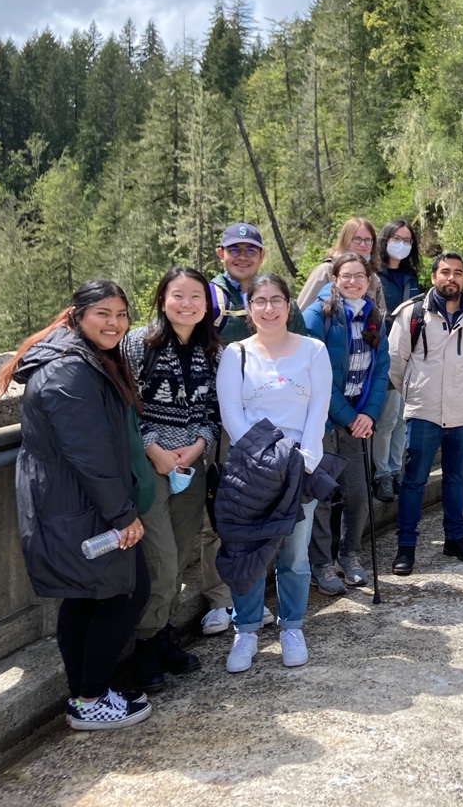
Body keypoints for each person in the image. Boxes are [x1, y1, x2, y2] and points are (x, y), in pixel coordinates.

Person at [0, 281, 154, 730]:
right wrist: (123, 515)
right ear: (78, 315)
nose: (115, 323)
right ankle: (89, 698)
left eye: (122, 315)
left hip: (76, 501)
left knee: (87, 597)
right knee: (127, 592)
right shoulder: (69, 370)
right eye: (103, 313)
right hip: (78, 503)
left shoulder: (83, 359)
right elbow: (88, 453)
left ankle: (88, 694)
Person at [216, 274, 332, 673]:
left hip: (300, 466)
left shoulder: (313, 350)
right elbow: (231, 413)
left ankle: (292, 626)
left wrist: (306, 459)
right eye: (260, 301)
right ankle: (245, 629)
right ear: (249, 308)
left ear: (289, 305)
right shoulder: (236, 354)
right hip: (251, 469)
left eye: (276, 300)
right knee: (245, 549)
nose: (269, 308)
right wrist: (264, 459)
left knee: (295, 554)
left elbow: (318, 409)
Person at [121, 267, 221, 693]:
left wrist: (198, 447)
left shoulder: (211, 351)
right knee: (159, 559)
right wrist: (154, 450)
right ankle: (143, 645)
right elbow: (126, 404)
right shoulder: (138, 344)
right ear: (163, 299)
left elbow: (213, 410)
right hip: (150, 466)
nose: (187, 304)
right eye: (178, 295)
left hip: (190, 465)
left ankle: (162, 635)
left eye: (195, 296)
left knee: (179, 556)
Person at [200, 222, 302, 636]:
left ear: (261, 256)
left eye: (251, 250)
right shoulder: (207, 296)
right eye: (234, 249)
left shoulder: (272, 295)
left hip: (272, 425)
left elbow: (301, 348)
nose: (242, 256)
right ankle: (219, 599)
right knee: (221, 509)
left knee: (265, 509)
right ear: (220, 254)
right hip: (217, 419)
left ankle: (253, 598)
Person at [388, 252, 463, 575]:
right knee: (414, 481)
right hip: (424, 412)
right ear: (433, 277)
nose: (452, 278)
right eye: (445, 272)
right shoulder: (412, 314)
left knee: (456, 478)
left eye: (458, 273)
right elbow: (396, 363)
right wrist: (415, 393)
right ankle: (406, 546)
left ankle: (455, 538)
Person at [303, 253, 390, 596]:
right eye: (346, 276)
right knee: (321, 497)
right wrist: (351, 416)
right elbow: (317, 378)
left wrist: (369, 413)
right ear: (335, 278)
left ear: (369, 281)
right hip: (323, 421)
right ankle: (321, 564)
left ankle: (349, 554)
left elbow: (381, 369)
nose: (353, 282)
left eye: (360, 276)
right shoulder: (317, 316)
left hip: (357, 421)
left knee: (357, 493)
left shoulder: (374, 317)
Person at [371, 219, 423, 502]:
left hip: (411, 354)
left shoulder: (412, 277)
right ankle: (382, 475)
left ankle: (395, 469)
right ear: (385, 240)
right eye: (396, 238)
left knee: (404, 417)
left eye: (407, 240)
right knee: (388, 418)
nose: (401, 244)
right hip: (383, 354)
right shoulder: (374, 275)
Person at [297, 217, 386, 312]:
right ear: (345, 240)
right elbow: (302, 314)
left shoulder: (373, 279)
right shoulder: (326, 271)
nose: (363, 244)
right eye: (357, 239)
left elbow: (381, 318)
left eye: (368, 240)